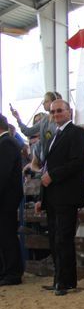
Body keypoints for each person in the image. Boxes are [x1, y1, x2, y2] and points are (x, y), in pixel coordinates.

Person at [35, 100, 84, 296]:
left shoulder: (77, 133)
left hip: (67, 194)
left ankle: (66, 282)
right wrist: (41, 197)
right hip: (52, 195)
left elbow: (77, 163)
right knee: (54, 239)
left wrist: (53, 176)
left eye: (59, 110)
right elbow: (45, 169)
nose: (56, 114)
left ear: (69, 111)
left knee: (63, 238)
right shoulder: (52, 137)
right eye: (53, 111)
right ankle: (60, 279)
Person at [0, 114, 23, 286]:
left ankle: (12, 272)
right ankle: (6, 270)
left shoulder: (6, 143)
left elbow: (3, 173)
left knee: (7, 233)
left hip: (6, 197)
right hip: (6, 196)